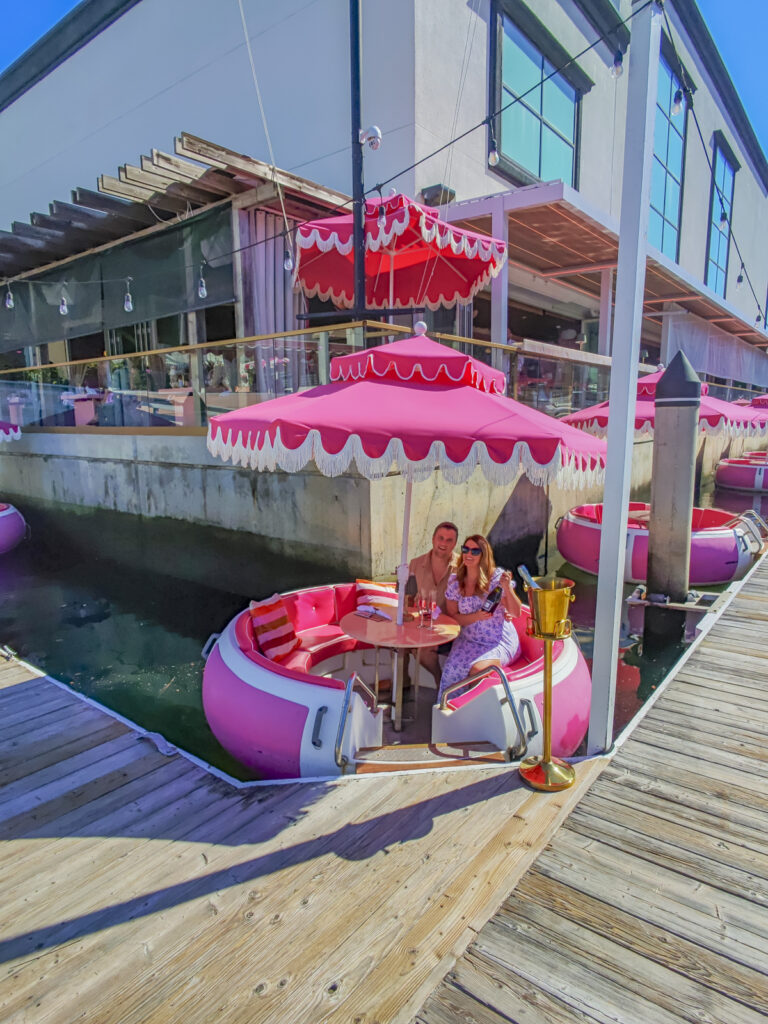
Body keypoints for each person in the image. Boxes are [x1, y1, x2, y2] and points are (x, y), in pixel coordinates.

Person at [437, 534, 522, 705]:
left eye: (475, 551)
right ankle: (449, 714)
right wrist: (476, 616)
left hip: (497, 641)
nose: (469, 554)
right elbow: (453, 617)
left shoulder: (496, 579)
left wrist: (506, 587)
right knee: (451, 670)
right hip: (468, 639)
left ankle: (472, 711)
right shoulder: (456, 582)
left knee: (476, 671)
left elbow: (516, 612)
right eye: (465, 549)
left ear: (484, 555)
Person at [407, 521, 459, 686]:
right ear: (433, 539)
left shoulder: (463, 566)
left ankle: (439, 680)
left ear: (455, 543)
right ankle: (401, 683)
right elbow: (409, 597)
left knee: (422, 651)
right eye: (440, 538)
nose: (443, 543)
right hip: (420, 623)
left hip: (449, 627)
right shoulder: (415, 563)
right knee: (396, 644)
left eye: (449, 540)